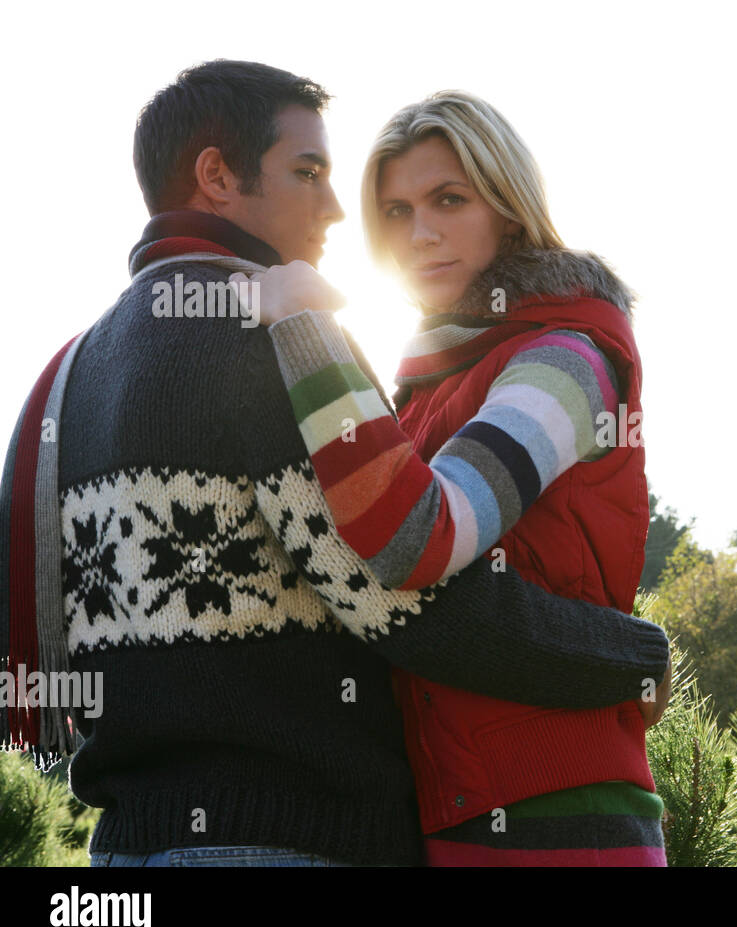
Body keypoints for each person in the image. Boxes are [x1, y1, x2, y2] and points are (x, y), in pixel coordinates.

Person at [0, 60, 670, 868]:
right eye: (307, 173)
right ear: (216, 175)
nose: (332, 210)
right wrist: (630, 657)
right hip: (289, 836)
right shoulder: (277, 341)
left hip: (125, 850)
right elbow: (406, 597)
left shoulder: (69, 376)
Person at [246, 90, 669, 865]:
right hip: (449, 809)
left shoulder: (565, 361)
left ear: (508, 209)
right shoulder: (425, 387)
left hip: (562, 811)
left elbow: (421, 538)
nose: (422, 233)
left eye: (449, 200)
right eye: (398, 212)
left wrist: (309, 330)